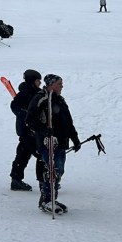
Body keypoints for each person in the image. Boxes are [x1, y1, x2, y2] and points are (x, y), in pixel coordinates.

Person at [26, 74, 81, 214]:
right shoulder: (41, 99)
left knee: (59, 170)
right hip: (48, 142)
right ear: (51, 85)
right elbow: (30, 120)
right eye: (59, 84)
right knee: (52, 170)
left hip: (62, 142)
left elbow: (68, 122)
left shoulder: (60, 101)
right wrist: (45, 131)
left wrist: (75, 138)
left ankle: (52, 198)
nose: (62, 86)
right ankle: (46, 199)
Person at [9, 70, 45, 191]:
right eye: (37, 80)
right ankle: (43, 181)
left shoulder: (38, 93)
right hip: (26, 130)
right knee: (41, 154)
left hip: (34, 129)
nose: (40, 82)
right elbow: (14, 107)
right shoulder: (24, 94)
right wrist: (25, 114)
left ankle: (16, 179)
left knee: (23, 153)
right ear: (31, 81)